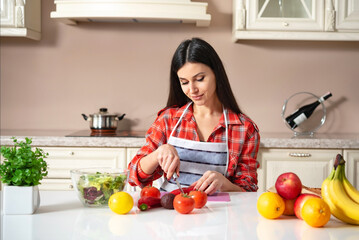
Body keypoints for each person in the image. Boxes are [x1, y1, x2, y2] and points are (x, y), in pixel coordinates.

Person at [128, 38, 260, 195]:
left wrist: (224, 184)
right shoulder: (168, 120)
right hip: (171, 212)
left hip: (220, 215)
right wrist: (158, 154)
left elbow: (249, 189)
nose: (192, 90)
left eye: (199, 79)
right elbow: (133, 176)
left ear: (216, 73)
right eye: (184, 82)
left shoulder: (244, 128)